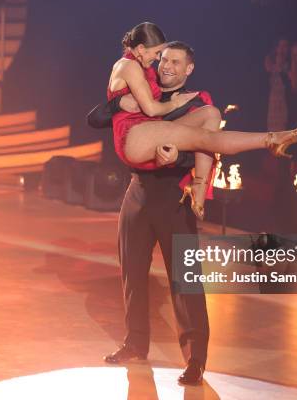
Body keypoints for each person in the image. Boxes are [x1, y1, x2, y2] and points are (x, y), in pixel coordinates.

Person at [89, 41, 212, 386]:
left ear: (189, 69)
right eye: (164, 59)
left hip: (175, 198)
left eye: (176, 61)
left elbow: (209, 148)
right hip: (138, 193)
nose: (166, 66)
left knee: (185, 280)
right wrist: (119, 101)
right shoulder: (145, 94)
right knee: (132, 273)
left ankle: (196, 360)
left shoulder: (198, 103)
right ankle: (135, 343)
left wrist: (181, 160)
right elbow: (96, 118)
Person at [107, 22, 297, 220]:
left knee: (211, 113)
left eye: (171, 60)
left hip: (156, 153)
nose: (159, 61)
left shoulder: (153, 74)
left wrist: (177, 157)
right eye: (159, 56)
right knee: (205, 138)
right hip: (134, 137)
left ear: (189, 69)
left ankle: (199, 185)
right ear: (142, 48)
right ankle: (271, 140)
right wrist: (123, 104)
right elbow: (149, 109)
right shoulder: (132, 66)